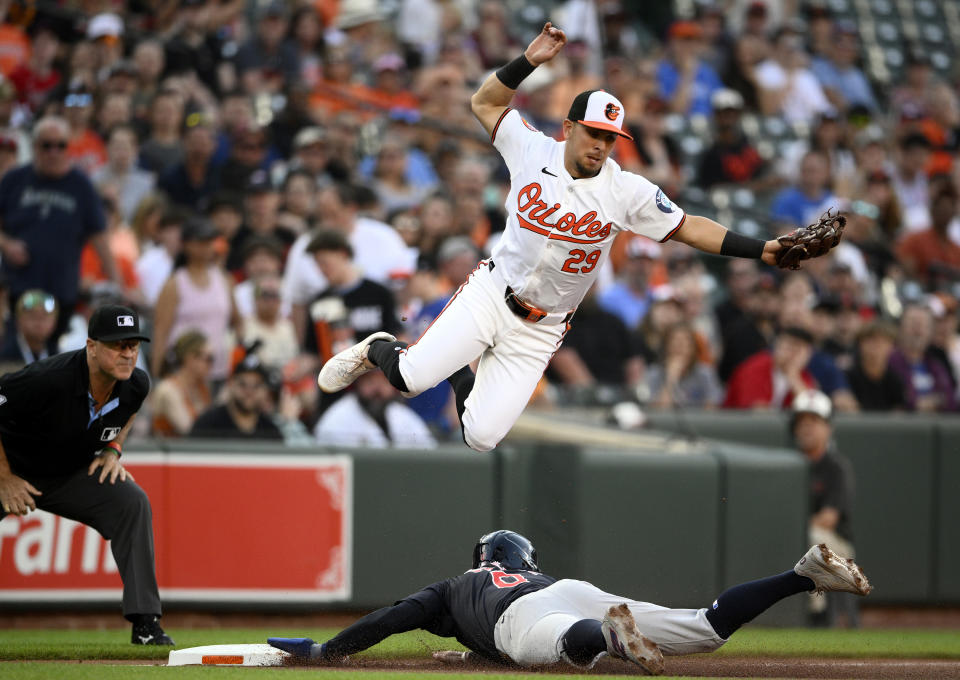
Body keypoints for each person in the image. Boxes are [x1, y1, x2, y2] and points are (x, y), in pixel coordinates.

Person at [317, 22, 829, 453]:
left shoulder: (625, 190)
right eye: (593, 133)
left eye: (611, 138)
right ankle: (379, 347)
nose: (601, 145)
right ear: (569, 128)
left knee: (480, 436)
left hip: (544, 328)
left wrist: (762, 248)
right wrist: (528, 60)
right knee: (407, 380)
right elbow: (484, 102)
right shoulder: (530, 149)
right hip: (494, 295)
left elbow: (690, 226)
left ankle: (457, 370)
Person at [268, 529, 871, 673]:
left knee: (557, 644)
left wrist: (330, 648)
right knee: (708, 627)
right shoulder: (535, 574)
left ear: (482, 559)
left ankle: (609, 638)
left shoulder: (455, 586)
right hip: (573, 592)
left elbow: (393, 618)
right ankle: (802, 576)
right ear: (521, 559)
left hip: (528, 619)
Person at [0, 304, 173, 645]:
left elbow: (131, 410)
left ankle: (145, 624)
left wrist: (114, 449)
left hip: (68, 474)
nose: (128, 354)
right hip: (13, 468)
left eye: (133, 346)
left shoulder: (135, 383)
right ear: (91, 346)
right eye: (117, 345)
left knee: (130, 502)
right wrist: (4, 478)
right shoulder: (48, 378)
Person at [0, 116, 122, 343]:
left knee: (56, 359)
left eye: (60, 145)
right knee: (16, 358)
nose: (53, 152)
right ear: (35, 147)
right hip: (19, 289)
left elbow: (99, 237)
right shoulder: (14, 180)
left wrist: (117, 283)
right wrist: (6, 244)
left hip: (62, 292)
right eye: (46, 145)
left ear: (68, 147)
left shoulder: (81, 185)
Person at [790, 390, 859, 627]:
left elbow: (828, 519)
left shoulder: (836, 467)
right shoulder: (788, 463)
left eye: (814, 421)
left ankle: (816, 616)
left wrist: (791, 529)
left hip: (836, 545)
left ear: (828, 427)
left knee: (813, 539)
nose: (806, 427)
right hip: (797, 538)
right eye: (802, 422)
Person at [190, 353, 283, 440]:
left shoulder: (270, 431)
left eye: (256, 386)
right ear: (231, 385)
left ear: (265, 391)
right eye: (242, 384)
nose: (249, 392)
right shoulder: (208, 424)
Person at [724, 326, 817, 409]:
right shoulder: (755, 367)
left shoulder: (804, 376)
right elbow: (756, 409)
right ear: (777, 346)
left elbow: (812, 411)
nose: (793, 355)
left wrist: (794, 378)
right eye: (789, 347)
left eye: (799, 351)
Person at [150, 330, 213, 437]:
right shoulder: (168, 389)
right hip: (169, 451)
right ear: (190, 358)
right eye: (208, 359)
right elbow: (189, 430)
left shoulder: (202, 387)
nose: (210, 365)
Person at [0, 289, 59, 371]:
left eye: (44, 317)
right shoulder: (5, 356)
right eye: (32, 316)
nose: (39, 322)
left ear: (54, 322)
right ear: (18, 321)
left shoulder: (58, 356)